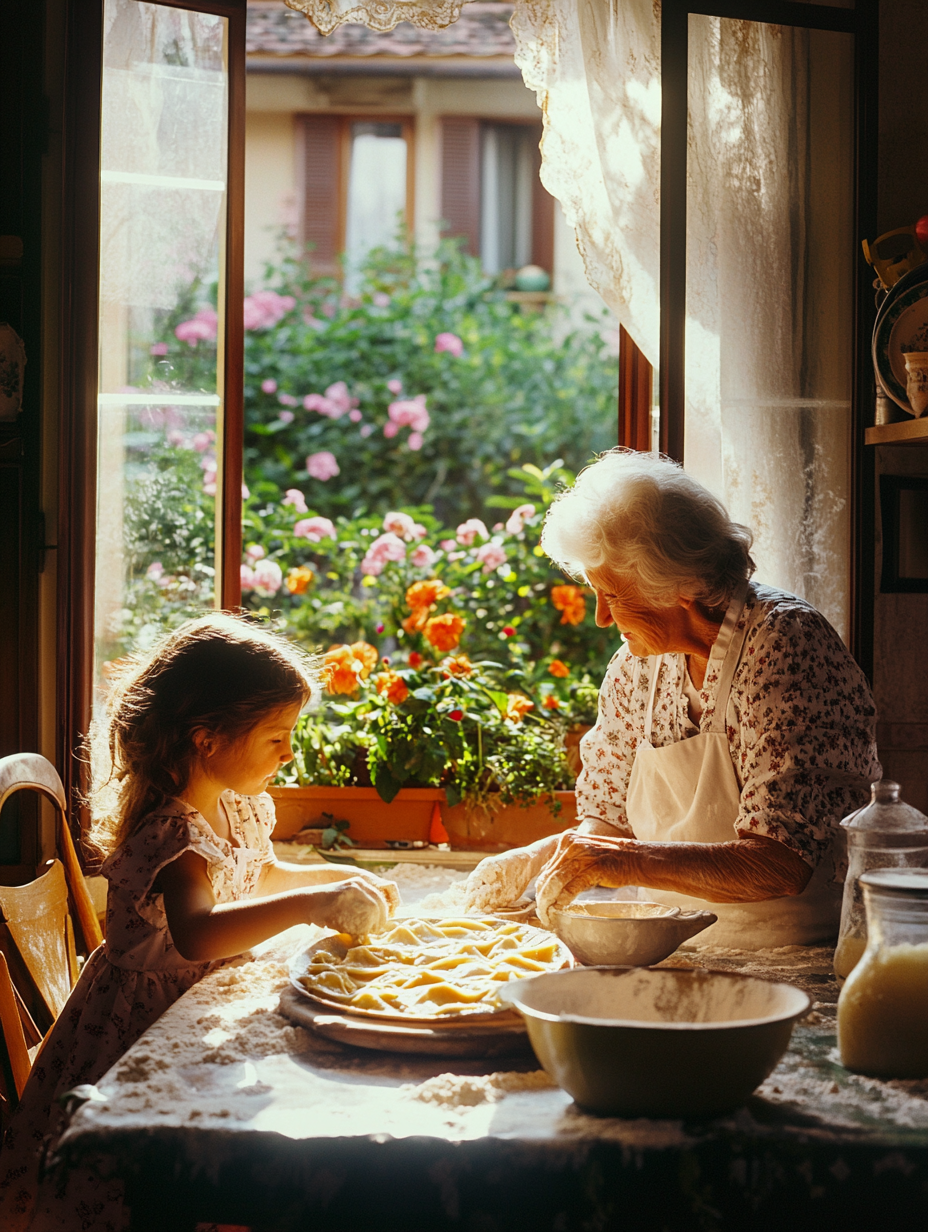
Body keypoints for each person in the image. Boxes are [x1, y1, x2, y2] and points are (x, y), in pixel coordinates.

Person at [0, 613, 398, 1231]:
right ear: (206, 737)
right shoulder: (173, 833)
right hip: (139, 1028)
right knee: (146, 1189)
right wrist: (309, 908)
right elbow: (196, 932)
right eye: (276, 736)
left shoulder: (236, 809)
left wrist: (333, 884)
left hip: (200, 1005)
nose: (290, 751)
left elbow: (261, 879)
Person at [465, 450, 880, 948]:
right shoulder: (634, 666)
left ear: (679, 585)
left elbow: (781, 863)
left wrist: (620, 861)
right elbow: (608, 821)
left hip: (785, 956)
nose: (600, 617)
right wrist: (533, 860)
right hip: (661, 943)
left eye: (612, 595)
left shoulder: (785, 645)